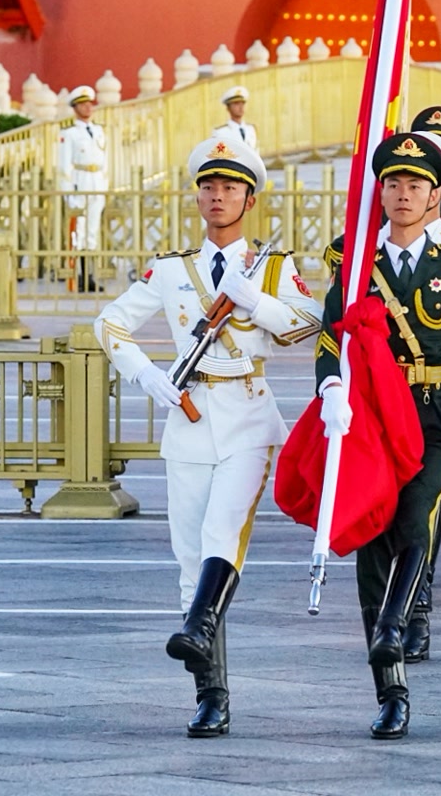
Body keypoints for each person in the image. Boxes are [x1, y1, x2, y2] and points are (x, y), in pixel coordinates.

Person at [96, 130, 319, 739]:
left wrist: (257, 303)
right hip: (189, 418)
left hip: (248, 414)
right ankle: (211, 693)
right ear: (198, 197)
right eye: (209, 187)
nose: (218, 196)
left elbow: (309, 324)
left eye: (231, 188)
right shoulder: (172, 269)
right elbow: (109, 322)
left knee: (224, 533)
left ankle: (197, 634)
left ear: (250, 201)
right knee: (189, 559)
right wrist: (145, 372)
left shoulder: (272, 267)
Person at [314, 131, 441, 740]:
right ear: (379, 191)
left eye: (416, 184)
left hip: (433, 414)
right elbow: (333, 336)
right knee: (372, 546)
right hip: (370, 418)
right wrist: (330, 390)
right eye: (393, 183)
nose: (403, 194)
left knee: (417, 522)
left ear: (438, 193)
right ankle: (390, 689)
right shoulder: (355, 260)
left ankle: (396, 621)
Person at [57, 86, 108, 292]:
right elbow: (64, 165)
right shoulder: (69, 134)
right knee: (78, 231)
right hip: (80, 181)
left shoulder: (99, 131)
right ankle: (77, 275)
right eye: (83, 104)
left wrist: (104, 185)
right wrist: (69, 193)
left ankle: (90, 276)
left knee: (92, 231)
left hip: (96, 181)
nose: (88, 107)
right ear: (75, 107)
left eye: (89, 103)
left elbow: (105, 160)